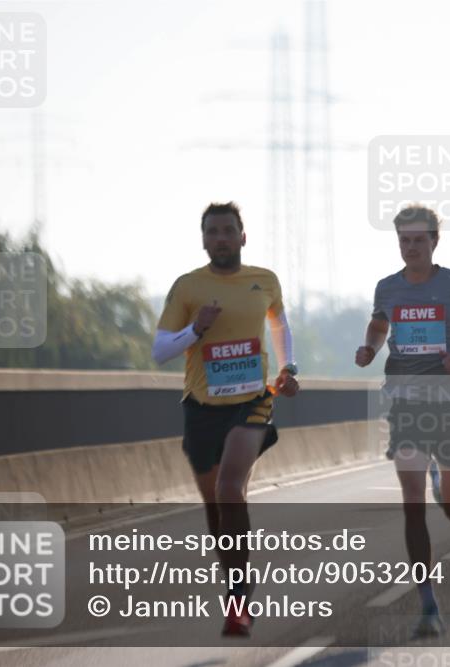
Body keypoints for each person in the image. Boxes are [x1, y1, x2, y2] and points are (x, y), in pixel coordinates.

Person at [355, 205, 450, 637]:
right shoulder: (387, 288)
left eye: (419, 240)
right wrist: (369, 349)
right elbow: (378, 326)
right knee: (411, 501)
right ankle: (428, 602)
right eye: (404, 240)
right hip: (405, 403)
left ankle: (441, 477)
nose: (411, 247)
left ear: (435, 241)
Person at [152, 201, 300, 637]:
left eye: (228, 230)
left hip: (252, 401)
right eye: (212, 232)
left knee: (229, 488)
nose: (220, 238)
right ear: (203, 240)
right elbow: (160, 351)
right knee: (216, 508)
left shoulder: (264, 280)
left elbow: (280, 326)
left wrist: (288, 368)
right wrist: (196, 329)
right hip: (201, 407)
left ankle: (237, 602)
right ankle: (239, 580)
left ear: (242, 236)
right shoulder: (188, 287)